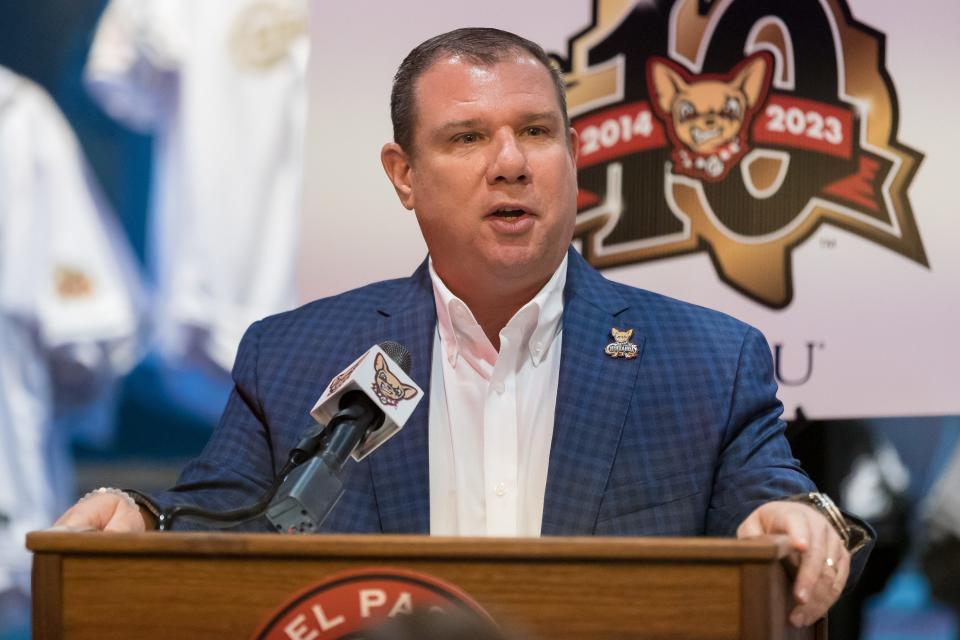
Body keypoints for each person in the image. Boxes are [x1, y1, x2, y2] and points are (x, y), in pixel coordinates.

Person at [56, 28, 872, 629]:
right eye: (468, 137)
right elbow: (209, 519)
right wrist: (134, 513)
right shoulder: (295, 353)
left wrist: (799, 521)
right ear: (403, 175)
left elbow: (770, 503)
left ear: (572, 155)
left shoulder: (706, 360)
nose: (511, 162)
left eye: (537, 132)